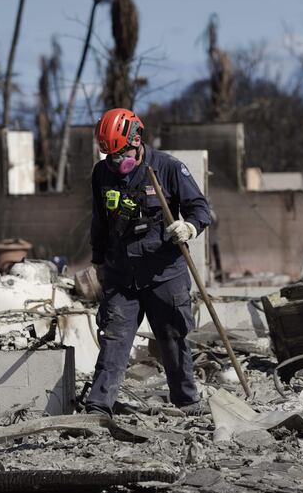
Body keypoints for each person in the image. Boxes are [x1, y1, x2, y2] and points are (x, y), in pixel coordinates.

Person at [87, 108, 211, 416]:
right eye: (110, 156)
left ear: (137, 141)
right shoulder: (102, 174)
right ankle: (98, 407)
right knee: (115, 338)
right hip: (121, 274)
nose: (116, 162)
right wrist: (99, 262)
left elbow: (200, 208)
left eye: (120, 154)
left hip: (164, 273)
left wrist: (190, 227)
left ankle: (186, 400)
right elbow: (99, 222)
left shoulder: (168, 168)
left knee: (172, 337)